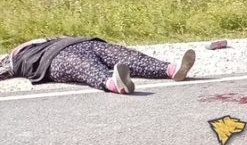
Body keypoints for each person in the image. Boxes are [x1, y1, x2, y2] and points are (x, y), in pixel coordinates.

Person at [0, 37, 195, 94]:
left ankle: (171, 69)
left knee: (127, 55)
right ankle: (113, 83)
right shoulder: (14, 59)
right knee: (85, 67)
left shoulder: (45, 42)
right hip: (51, 60)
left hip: (82, 43)